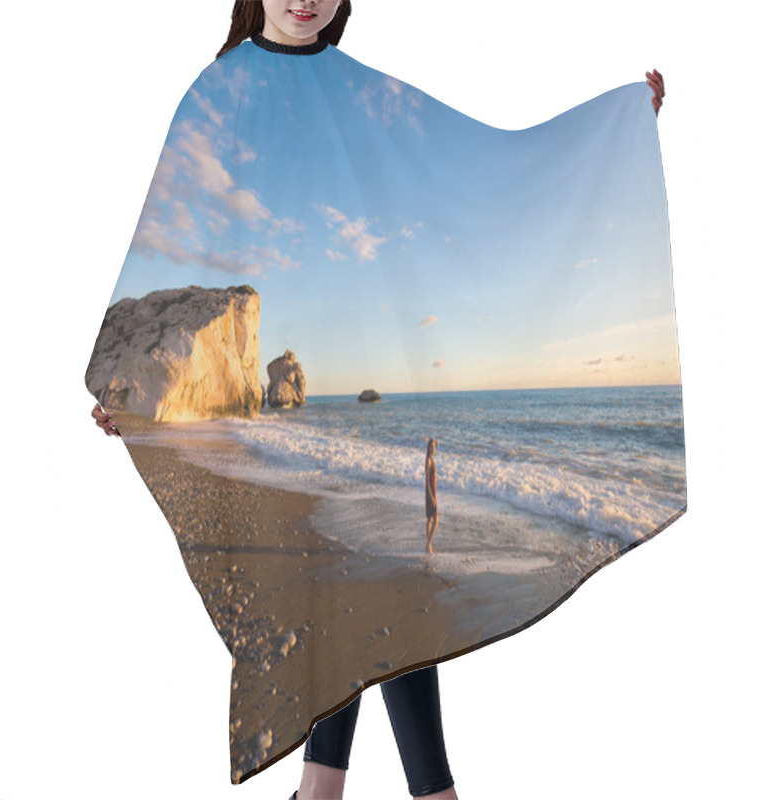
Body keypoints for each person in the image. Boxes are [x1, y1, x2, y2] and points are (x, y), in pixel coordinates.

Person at [91, 2, 666, 797]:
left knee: (367, 603)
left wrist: (621, 123)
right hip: (314, 324)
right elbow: (163, 218)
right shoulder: (217, 88)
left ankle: (332, 791)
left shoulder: (358, 84)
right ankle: (410, 793)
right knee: (372, 599)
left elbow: (474, 160)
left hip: (387, 329)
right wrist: (113, 390)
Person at [426, 438, 439, 556]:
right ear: (428, 447)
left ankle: (428, 546)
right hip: (430, 491)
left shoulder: (431, 459)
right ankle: (427, 545)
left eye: (434, 447)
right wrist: (431, 496)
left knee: (430, 519)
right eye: (431, 446)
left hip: (432, 491)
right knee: (436, 519)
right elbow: (426, 481)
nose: (433, 448)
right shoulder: (428, 461)